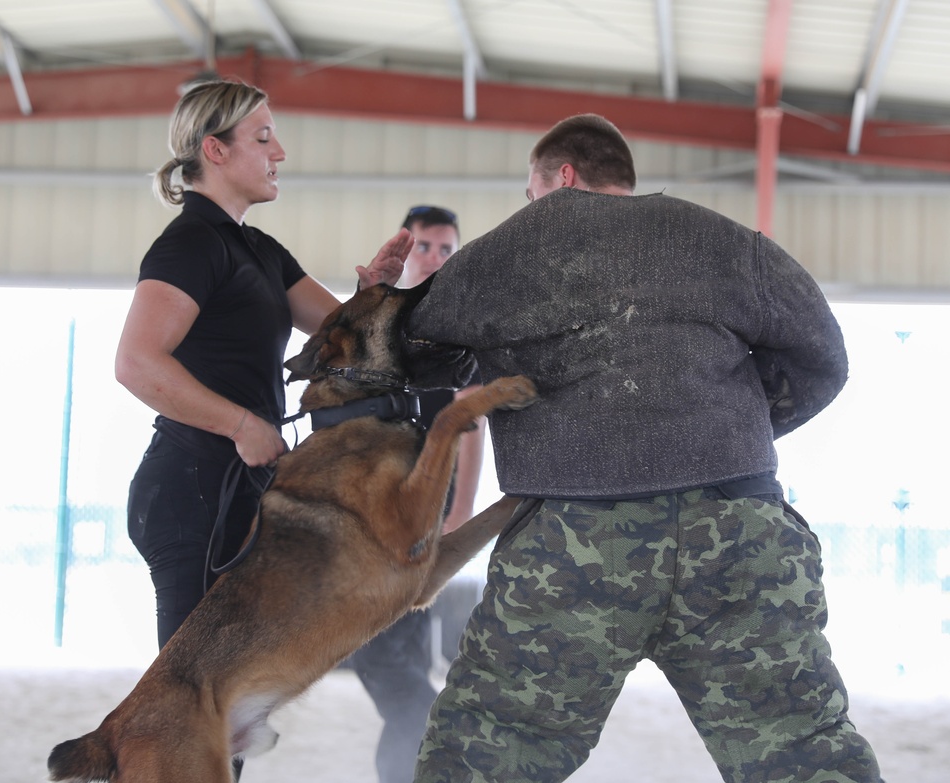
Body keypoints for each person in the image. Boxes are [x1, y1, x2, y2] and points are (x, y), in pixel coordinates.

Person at [407, 114, 883, 782]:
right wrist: (724, 428)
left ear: (562, 180)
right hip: (737, 528)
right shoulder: (721, 240)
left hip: (576, 544)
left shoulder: (516, 247)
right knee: (801, 749)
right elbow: (823, 356)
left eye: (531, 191)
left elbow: (407, 353)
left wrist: (386, 296)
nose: (530, 206)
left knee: (492, 749)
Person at [115, 79, 412, 656]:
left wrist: (371, 291)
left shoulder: (261, 252)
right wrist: (240, 425)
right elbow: (135, 363)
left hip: (241, 485)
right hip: (192, 487)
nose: (279, 153)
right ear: (215, 150)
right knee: (196, 699)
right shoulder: (191, 245)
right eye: (264, 137)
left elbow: (339, 337)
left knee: (230, 696)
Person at [347, 205, 486, 783]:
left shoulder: (460, 327)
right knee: (389, 659)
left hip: (427, 514)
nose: (435, 258)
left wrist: (460, 513)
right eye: (425, 246)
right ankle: (418, 763)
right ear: (407, 250)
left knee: (395, 654)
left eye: (446, 249)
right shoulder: (377, 322)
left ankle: (412, 765)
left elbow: (471, 421)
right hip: (372, 511)